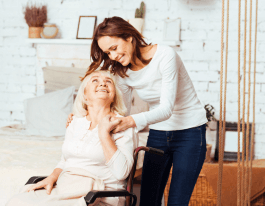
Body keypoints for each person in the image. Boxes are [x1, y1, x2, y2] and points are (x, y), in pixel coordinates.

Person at [67, 16, 208, 206]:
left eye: (114, 48)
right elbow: (120, 111)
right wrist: (81, 119)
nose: (113, 56)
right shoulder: (122, 71)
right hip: (158, 132)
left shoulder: (166, 56)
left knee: (177, 201)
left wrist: (130, 121)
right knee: (148, 200)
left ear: (130, 37)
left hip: (190, 132)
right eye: (108, 53)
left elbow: (166, 109)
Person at [6, 70, 137, 206]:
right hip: (66, 188)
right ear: (85, 95)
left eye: (108, 81)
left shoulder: (123, 124)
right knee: (16, 201)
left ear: (114, 95)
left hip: (99, 195)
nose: (103, 83)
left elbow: (122, 172)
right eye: (95, 80)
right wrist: (51, 178)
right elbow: (65, 161)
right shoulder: (75, 122)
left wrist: (104, 133)